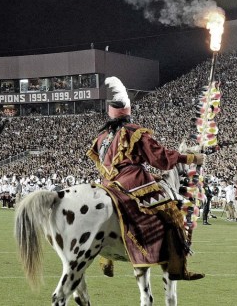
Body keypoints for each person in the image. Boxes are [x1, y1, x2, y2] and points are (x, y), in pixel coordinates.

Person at [86, 76, 205, 281]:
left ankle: (106, 258)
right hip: (133, 183)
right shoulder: (133, 132)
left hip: (107, 184)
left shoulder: (102, 136)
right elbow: (160, 158)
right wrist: (191, 157)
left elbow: (113, 164)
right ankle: (178, 268)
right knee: (174, 213)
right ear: (128, 112)